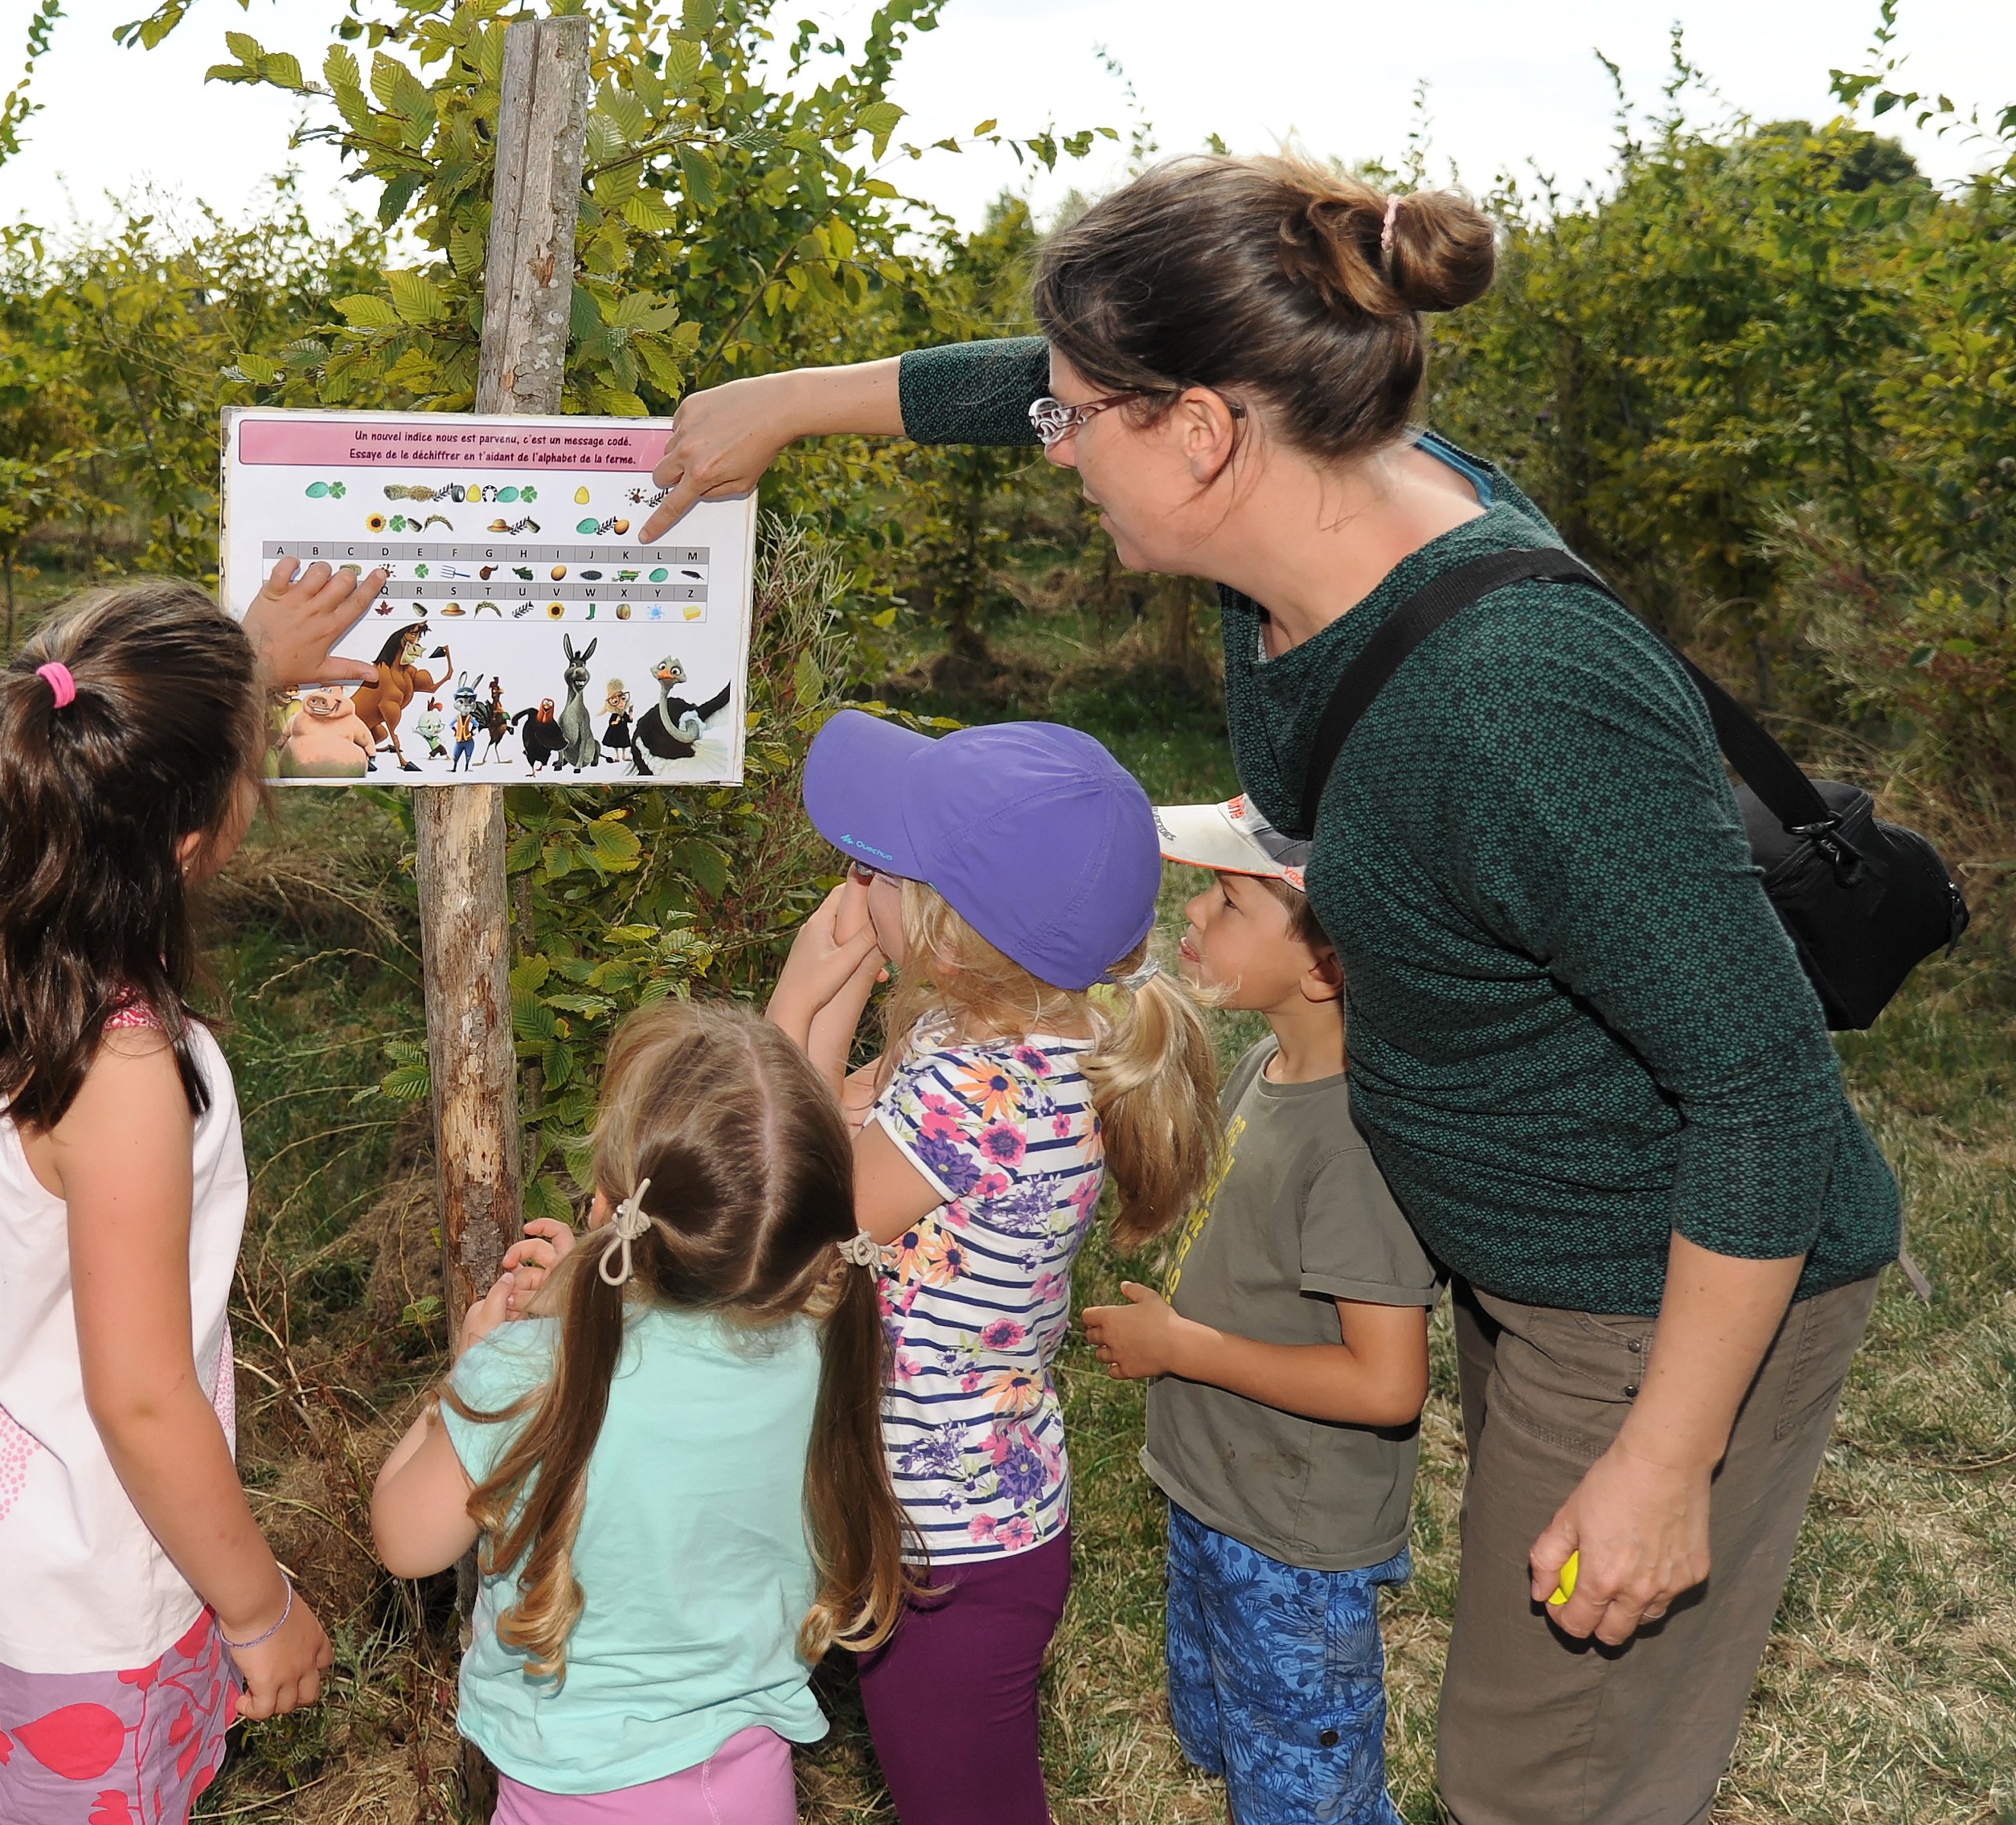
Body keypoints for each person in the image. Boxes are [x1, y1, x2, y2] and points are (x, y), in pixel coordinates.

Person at [641, 153, 1899, 1825]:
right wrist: (781, 407)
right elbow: (1015, 381)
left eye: (1075, 416)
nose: (1051, 442)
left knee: (1541, 1780)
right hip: (1521, 1228)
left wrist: (1667, 1457)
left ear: (1200, 430)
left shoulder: (1516, 693)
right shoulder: (1298, 528)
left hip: (1654, 1276)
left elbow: (1759, 1087)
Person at [0, 556, 384, 1824]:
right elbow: (139, 1397)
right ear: (201, 837)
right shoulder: (125, 1069)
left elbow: (94, 764)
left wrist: (236, 668)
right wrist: (261, 1610)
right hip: (79, 1602)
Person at [764, 710, 1220, 1825]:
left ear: (946, 926)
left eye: (879, 861)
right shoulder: (987, 1043)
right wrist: (840, 1013)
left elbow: (780, 1210)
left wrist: (793, 1000)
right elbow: (827, 1131)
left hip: (951, 1548)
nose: (853, 870)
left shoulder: (980, 1092)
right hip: (937, 1513)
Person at [366, 1000, 911, 1825]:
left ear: (604, 1201)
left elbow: (405, 1540)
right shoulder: (828, 1355)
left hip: (572, 1797)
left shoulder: (527, 1375)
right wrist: (583, 1302)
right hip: (745, 1788)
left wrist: (470, 1372)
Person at [1086, 794, 1437, 1825]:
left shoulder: (1354, 1147)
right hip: (1216, 1493)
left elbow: (1385, 1384)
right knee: (1229, 1745)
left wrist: (1180, 1347)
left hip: (1293, 1545)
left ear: (1325, 963)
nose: (1191, 916)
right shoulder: (1263, 1067)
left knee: (1304, 1797)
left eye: (1228, 902)